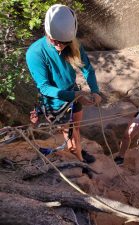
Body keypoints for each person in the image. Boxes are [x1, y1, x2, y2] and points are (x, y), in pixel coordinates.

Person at [26, 4, 101, 163]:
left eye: (65, 42)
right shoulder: (35, 53)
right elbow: (44, 87)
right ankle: (80, 162)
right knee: (71, 134)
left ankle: (77, 148)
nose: (60, 45)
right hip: (56, 102)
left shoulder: (73, 44)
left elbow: (87, 68)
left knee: (76, 130)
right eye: (55, 41)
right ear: (47, 32)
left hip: (73, 92)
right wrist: (75, 96)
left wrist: (95, 91)